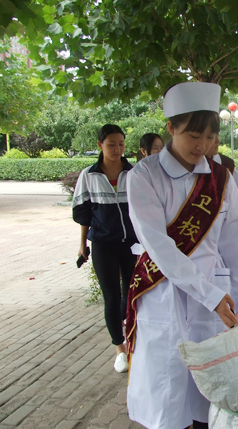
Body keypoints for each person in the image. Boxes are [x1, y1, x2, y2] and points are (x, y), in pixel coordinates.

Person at [125, 82, 238, 429]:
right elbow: (158, 246)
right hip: (164, 294)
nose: (202, 146)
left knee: (211, 403)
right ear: (171, 128)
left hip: (212, 301)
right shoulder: (145, 176)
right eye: (193, 135)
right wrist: (210, 295)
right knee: (168, 400)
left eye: (210, 137)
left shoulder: (221, 180)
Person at [72, 124, 137, 373]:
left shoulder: (134, 173)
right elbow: (84, 214)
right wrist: (82, 244)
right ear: (100, 145)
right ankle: (119, 350)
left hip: (132, 244)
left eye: (121, 144)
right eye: (111, 144)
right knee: (111, 296)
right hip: (102, 244)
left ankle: (134, 340)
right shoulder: (88, 175)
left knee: (131, 294)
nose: (117, 149)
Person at [206, 135, 238, 237]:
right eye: (210, 136)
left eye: (217, 134)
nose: (217, 140)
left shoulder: (225, 165)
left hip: (226, 233)